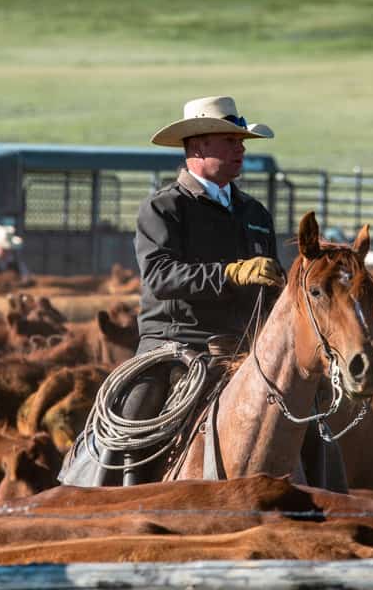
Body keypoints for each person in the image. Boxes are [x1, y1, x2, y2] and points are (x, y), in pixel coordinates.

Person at [122, 95, 283, 484]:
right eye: (230, 140)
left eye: (241, 142)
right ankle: (114, 497)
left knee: (308, 417)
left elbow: (272, 286)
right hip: (174, 343)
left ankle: (326, 495)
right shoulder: (163, 209)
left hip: (245, 347)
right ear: (197, 146)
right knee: (134, 420)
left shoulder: (256, 214)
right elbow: (161, 277)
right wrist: (231, 274)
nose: (240, 149)